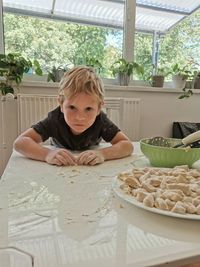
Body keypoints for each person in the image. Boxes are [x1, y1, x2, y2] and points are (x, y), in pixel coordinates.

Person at [14, 66, 133, 166]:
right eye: (72, 108)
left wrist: (102, 154)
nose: (80, 117)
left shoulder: (101, 120)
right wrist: (47, 154)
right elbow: (20, 143)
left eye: (88, 109)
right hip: (59, 164)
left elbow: (127, 145)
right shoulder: (54, 119)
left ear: (98, 109)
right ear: (61, 104)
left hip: (91, 165)